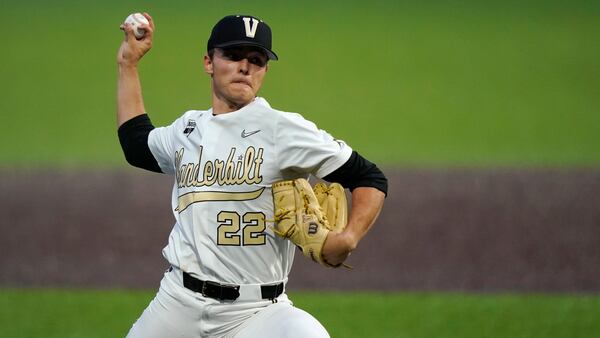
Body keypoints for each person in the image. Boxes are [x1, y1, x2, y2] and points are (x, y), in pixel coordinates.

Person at [117, 13, 387, 338]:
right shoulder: (187, 128)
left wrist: (348, 238)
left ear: (264, 71)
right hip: (177, 303)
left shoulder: (282, 129)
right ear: (208, 62)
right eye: (232, 56)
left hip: (257, 312)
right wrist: (128, 64)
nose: (245, 66)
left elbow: (369, 177)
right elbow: (136, 145)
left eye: (256, 60)